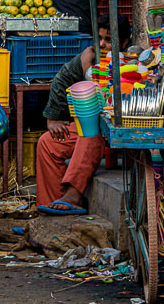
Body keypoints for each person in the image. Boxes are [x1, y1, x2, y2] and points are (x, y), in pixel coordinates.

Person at [36, 13, 131, 215]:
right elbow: (61, 79)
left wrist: (94, 71)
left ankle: (74, 196)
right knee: (47, 142)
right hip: (87, 127)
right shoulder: (87, 57)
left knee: (91, 131)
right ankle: (50, 208)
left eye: (109, 39)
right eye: (100, 39)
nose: (103, 44)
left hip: (110, 129)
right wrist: (52, 120)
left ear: (123, 42)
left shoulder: (131, 61)